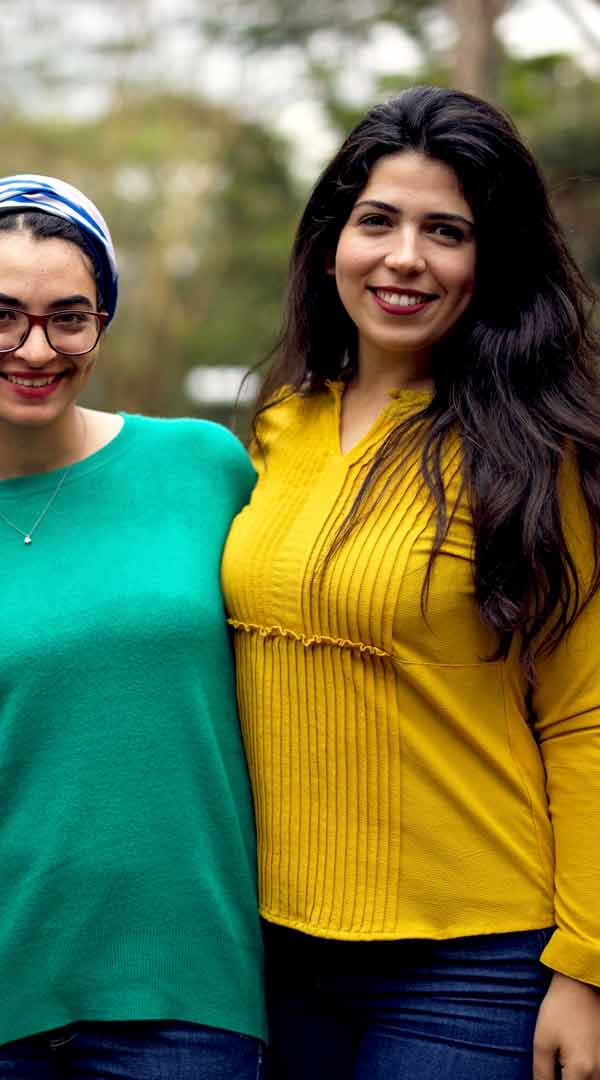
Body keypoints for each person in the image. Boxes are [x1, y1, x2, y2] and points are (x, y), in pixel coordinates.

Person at [0, 175, 267, 1078]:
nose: (33, 347)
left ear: (101, 326)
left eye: (68, 317)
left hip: (186, 993)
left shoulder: (203, 468)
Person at [220, 85, 600, 1080]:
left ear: (490, 258)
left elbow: (586, 715)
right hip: (276, 952)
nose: (404, 258)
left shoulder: (540, 449)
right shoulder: (276, 425)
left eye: (446, 231)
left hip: (472, 964)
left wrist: (586, 972)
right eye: (377, 220)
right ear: (330, 239)